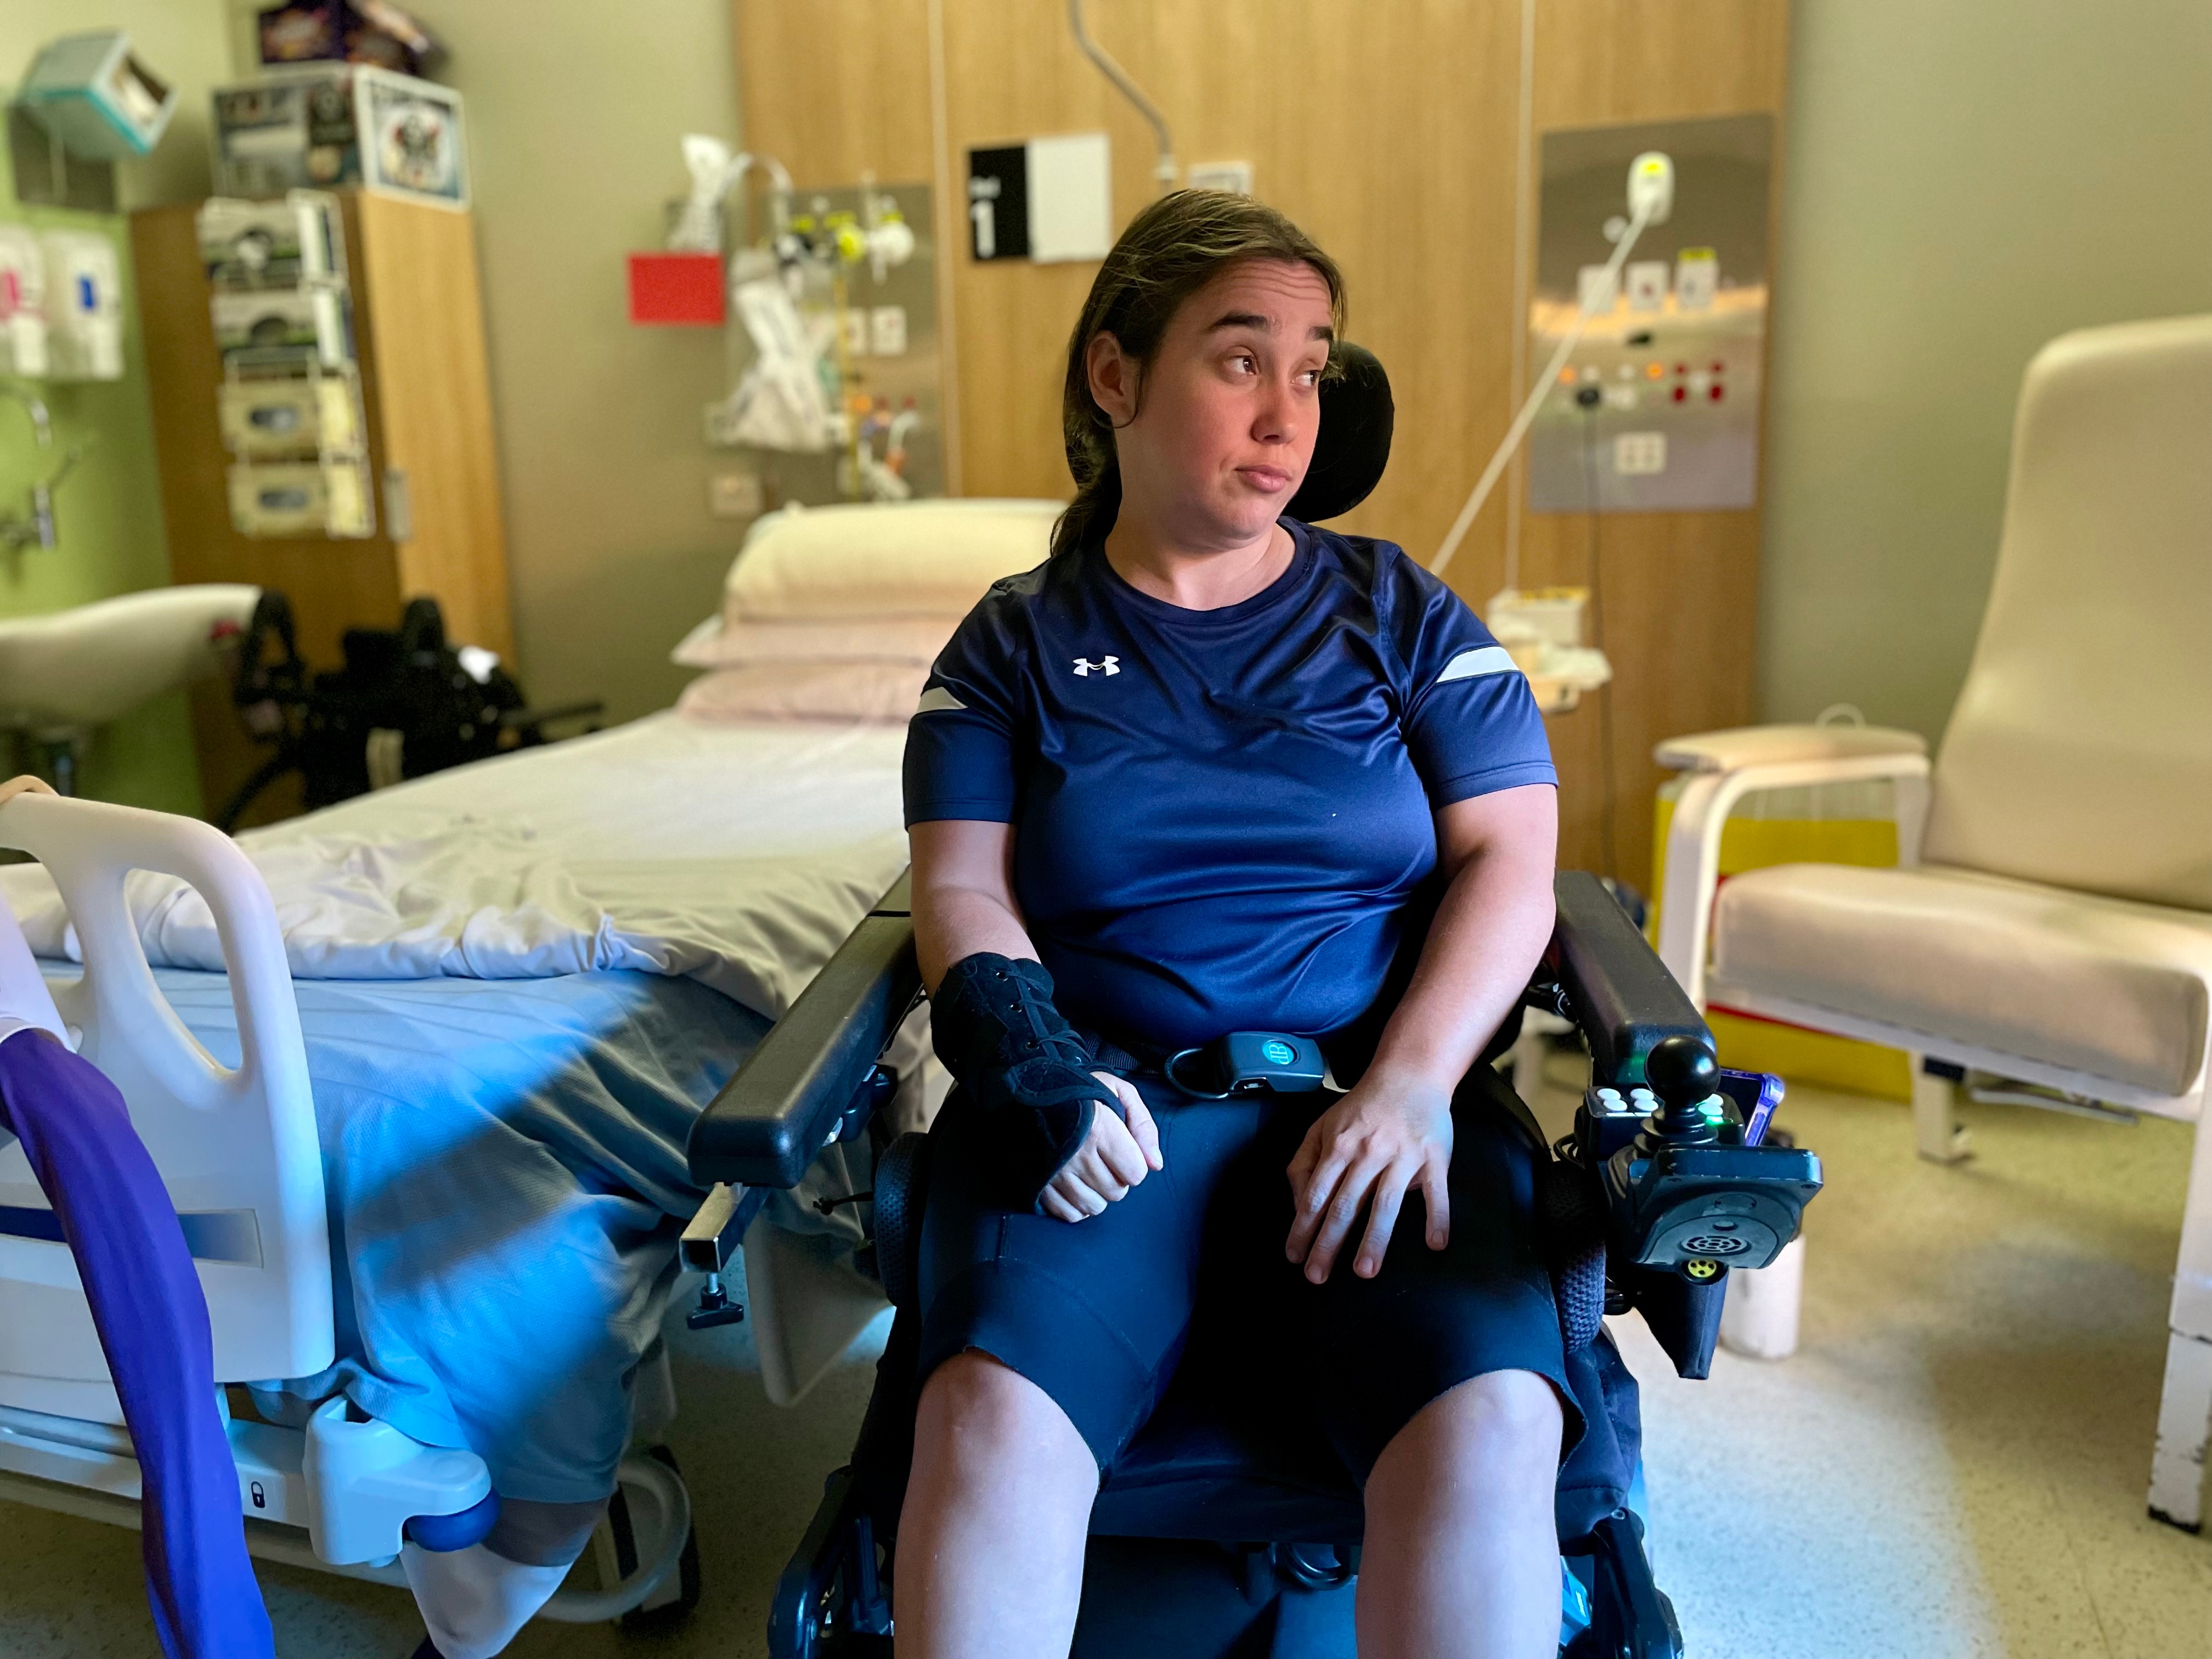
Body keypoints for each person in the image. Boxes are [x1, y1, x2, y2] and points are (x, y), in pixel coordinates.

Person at [899, 190, 1568, 1659]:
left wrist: (1413, 1083)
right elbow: (958, 886)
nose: (1287, 413)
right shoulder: (1010, 641)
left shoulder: (1400, 611)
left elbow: (1519, 855)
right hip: (1109, 1114)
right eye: (1240, 358)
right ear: (1117, 376)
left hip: (1370, 1105)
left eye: (1314, 368)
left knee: (1499, 1422)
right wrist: (1022, 1057)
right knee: (988, 1421)